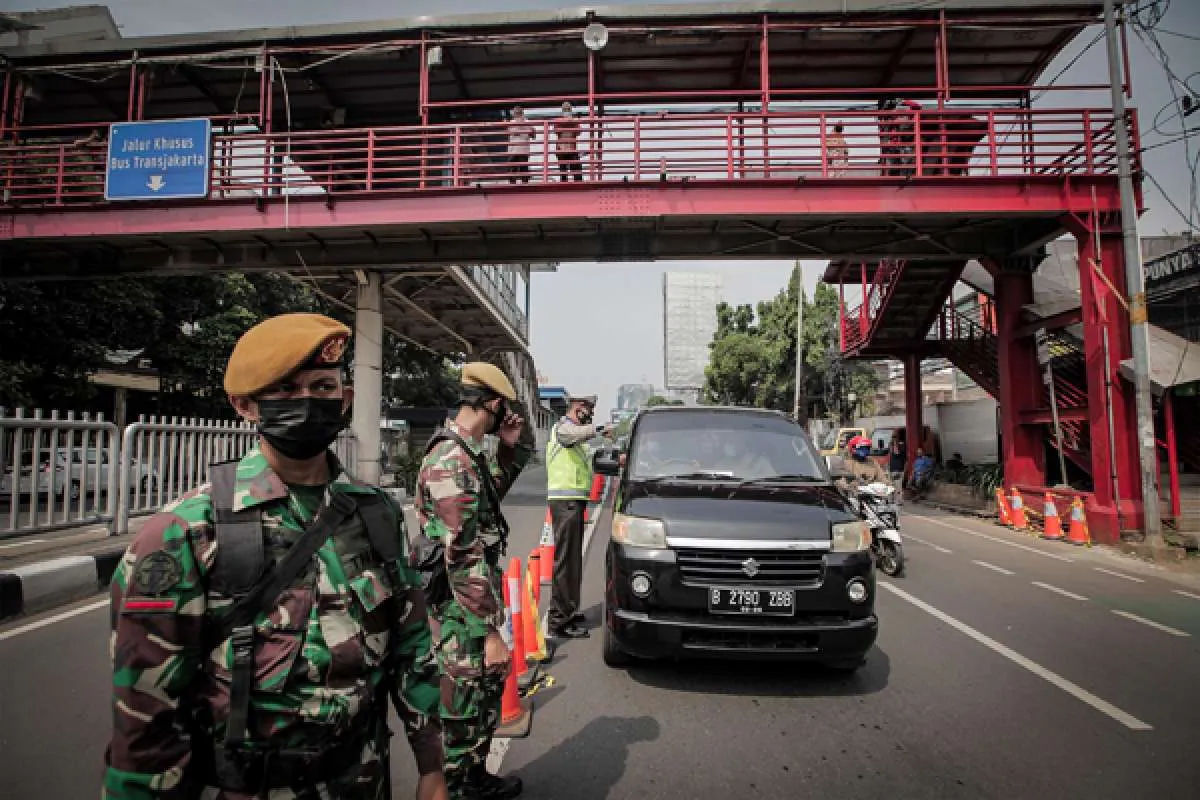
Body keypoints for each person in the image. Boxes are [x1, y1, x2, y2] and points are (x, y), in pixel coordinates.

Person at [102, 313, 448, 800]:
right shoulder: (186, 532)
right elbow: (147, 717)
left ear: (345, 401)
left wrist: (431, 765)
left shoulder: (377, 513)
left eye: (322, 386)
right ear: (246, 405)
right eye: (284, 390)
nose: (306, 401)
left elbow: (410, 646)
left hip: (362, 780)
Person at [415, 363, 533, 800]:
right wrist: (487, 632)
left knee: (481, 694)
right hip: (461, 606)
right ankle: (459, 786)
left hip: (470, 598)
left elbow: (486, 504)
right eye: (506, 408)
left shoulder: (467, 454)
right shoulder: (451, 460)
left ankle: (474, 777)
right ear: (495, 403)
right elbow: (462, 553)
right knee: (463, 701)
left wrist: (509, 450)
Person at [545, 394, 610, 638]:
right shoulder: (563, 429)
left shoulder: (578, 439)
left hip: (575, 502)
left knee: (573, 561)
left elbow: (591, 460)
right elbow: (568, 436)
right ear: (578, 407)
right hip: (565, 502)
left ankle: (568, 610)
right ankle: (558, 621)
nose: (591, 415)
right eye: (589, 410)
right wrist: (599, 429)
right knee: (565, 562)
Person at [554, 101, 583, 182]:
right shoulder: (558, 120)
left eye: (568, 109)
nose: (567, 111)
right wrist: (566, 122)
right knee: (563, 171)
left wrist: (572, 122)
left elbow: (579, 132)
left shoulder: (574, 121)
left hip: (572, 149)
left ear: (571, 110)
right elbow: (556, 130)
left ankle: (578, 186)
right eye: (565, 109)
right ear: (562, 110)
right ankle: (564, 185)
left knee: (576, 170)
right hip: (561, 149)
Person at [506, 106, 534, 184]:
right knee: (523, 168)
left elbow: (509, 132)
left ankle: (513, 184)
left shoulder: (511, 123)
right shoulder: (527, 123)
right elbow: (533, 134)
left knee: (513, 168)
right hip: (523, 149)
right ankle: (524, 183)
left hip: (513, 149)